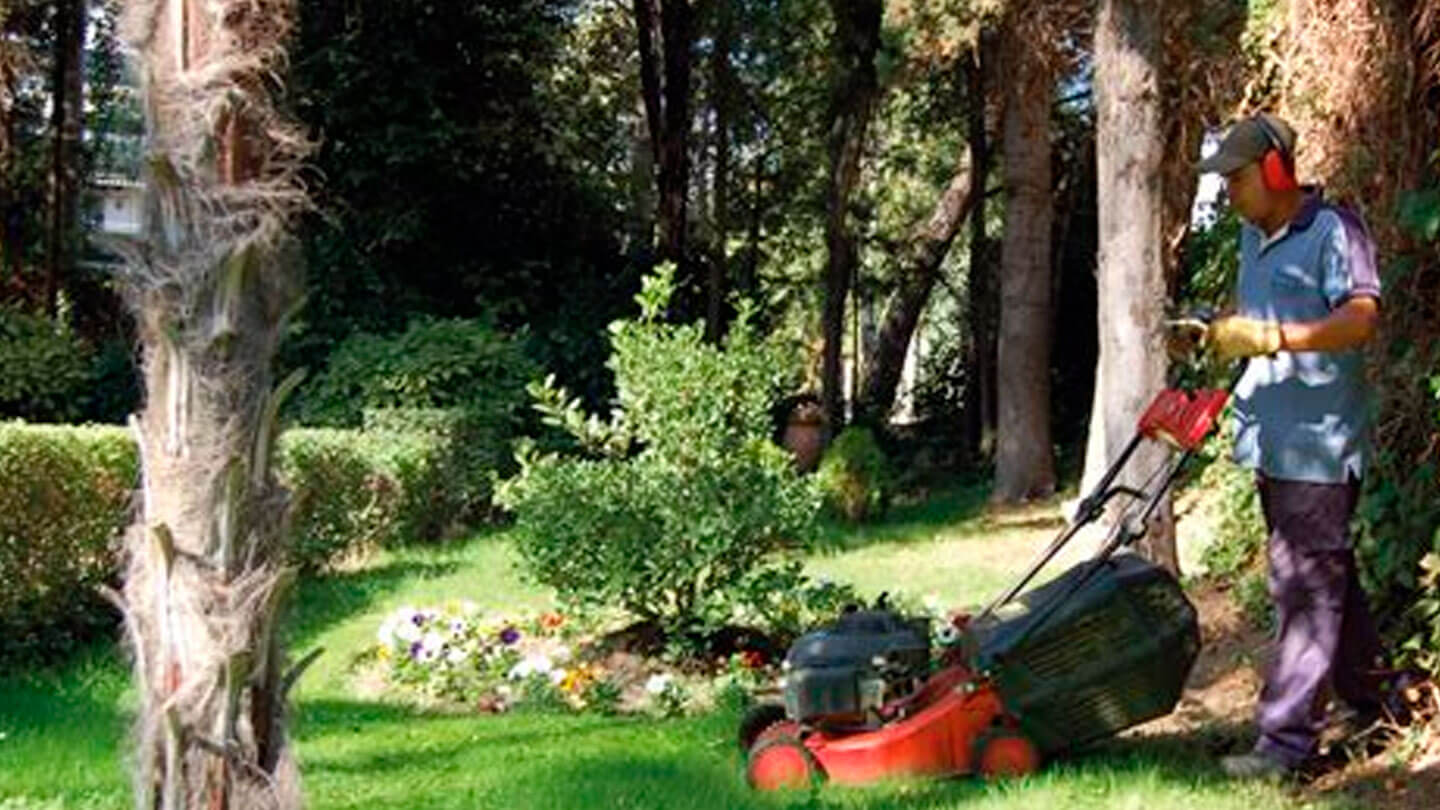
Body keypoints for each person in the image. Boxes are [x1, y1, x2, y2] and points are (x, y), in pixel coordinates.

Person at [1195, 113, 1387, 778]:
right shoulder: (1252, 239)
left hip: (1320, 448)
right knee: (1329, 578)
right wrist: (1217, 337)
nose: (1229, 193)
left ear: (1277, 170)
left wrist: (1277, 338)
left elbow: (1361, 319)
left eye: (1237, 178)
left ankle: (1285, 748)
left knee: (1303, 587)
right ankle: (1378, 697)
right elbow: (1257, 328)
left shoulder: (1336, 230)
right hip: (1272, 445)